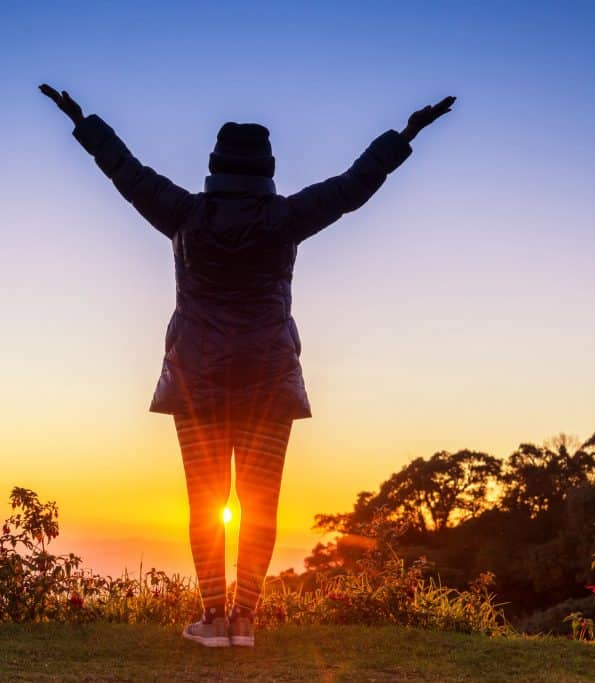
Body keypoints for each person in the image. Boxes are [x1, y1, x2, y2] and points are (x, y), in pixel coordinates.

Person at [40, 83, 455, 647]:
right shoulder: (286, 218)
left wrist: (84, 121)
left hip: (197, 385)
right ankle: (245, 621)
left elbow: (127, 173)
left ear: (214, 168)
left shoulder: (184, 214)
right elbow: (353, 187)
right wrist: (404, 135)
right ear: (268, 169)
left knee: (207, 502)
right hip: (267, 383)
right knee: (258, 506)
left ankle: (212, 619)